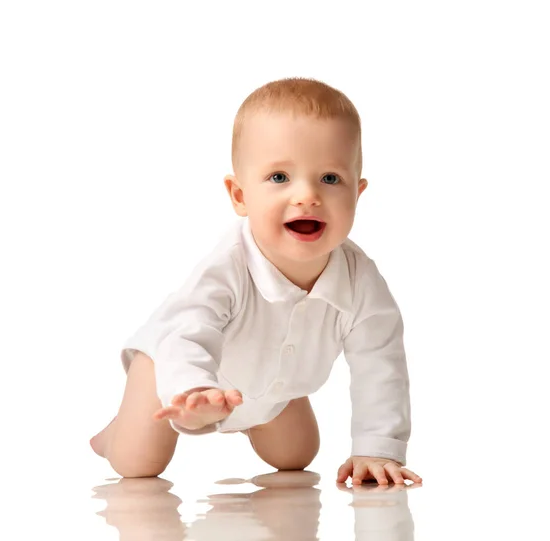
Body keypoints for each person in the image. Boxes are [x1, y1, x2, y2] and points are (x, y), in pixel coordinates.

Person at [90, 77, 423, 486]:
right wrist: (194, 389)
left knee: (297, 455)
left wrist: (377, 446)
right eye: (280, 177)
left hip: (270, 389)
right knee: (137, 464)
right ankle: (116, 432)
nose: (307, 196)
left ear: (358, 193)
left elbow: (380, 360)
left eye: (331, 179)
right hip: (175, 367)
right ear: (240, 195)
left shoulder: (362, 281)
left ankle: (251, 417)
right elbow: (188, 331)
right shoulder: (228, 267)